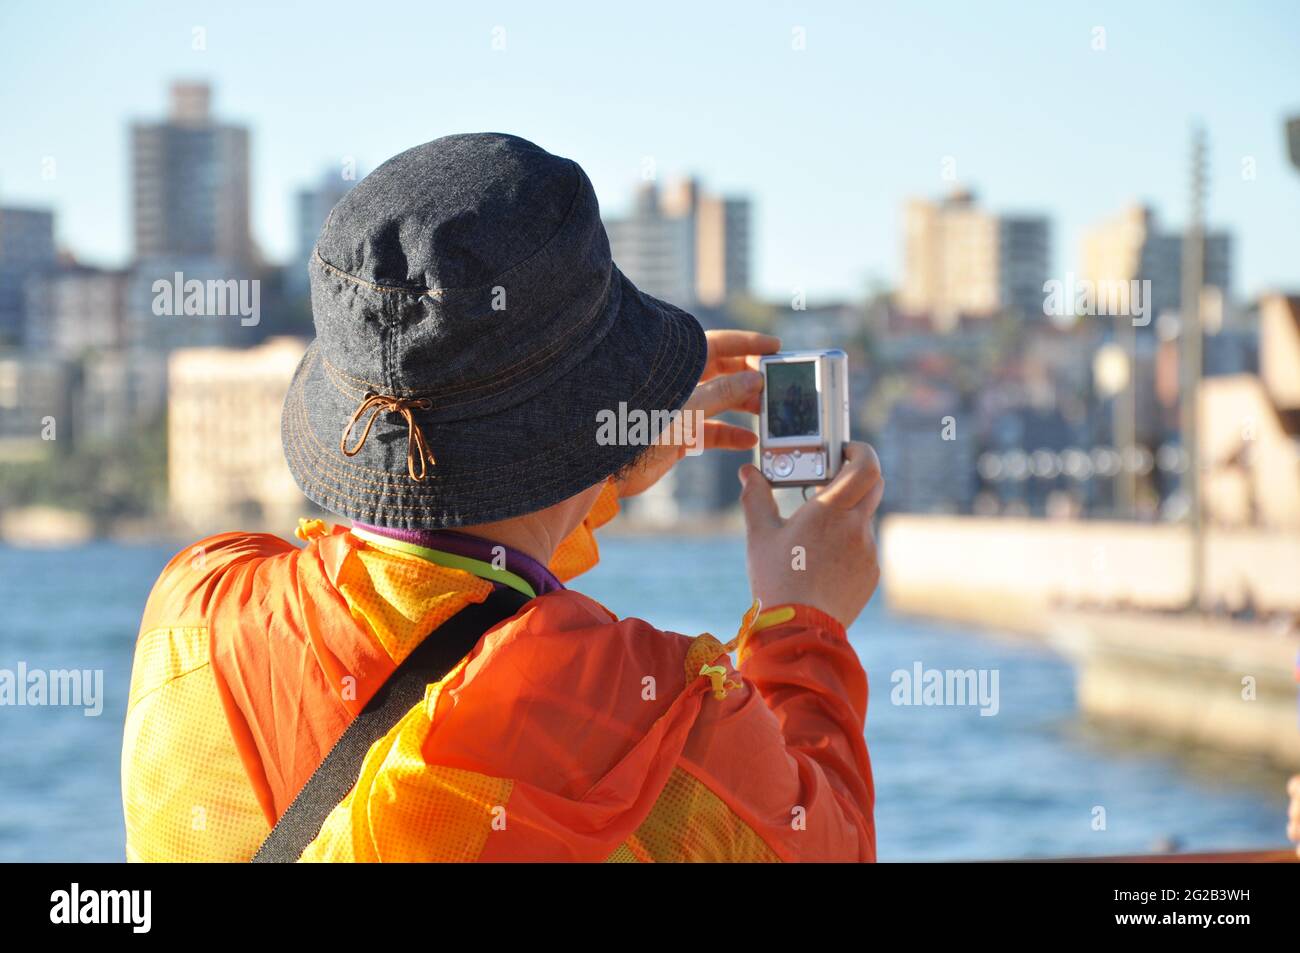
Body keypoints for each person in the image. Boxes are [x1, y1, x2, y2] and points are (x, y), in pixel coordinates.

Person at [121, 133, 883, 862]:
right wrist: (803, 623)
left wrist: (594, 464)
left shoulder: (198, 604)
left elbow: (461, 584)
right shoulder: (657, 725)